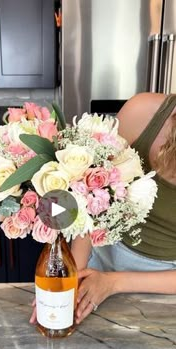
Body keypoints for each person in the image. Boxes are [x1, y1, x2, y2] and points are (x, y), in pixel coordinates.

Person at [73, 92, 176, 325]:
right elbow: (90, 192)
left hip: (164, 284)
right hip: (98, 257)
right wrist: (74, 275)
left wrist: (113, 282)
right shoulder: (143, 112)